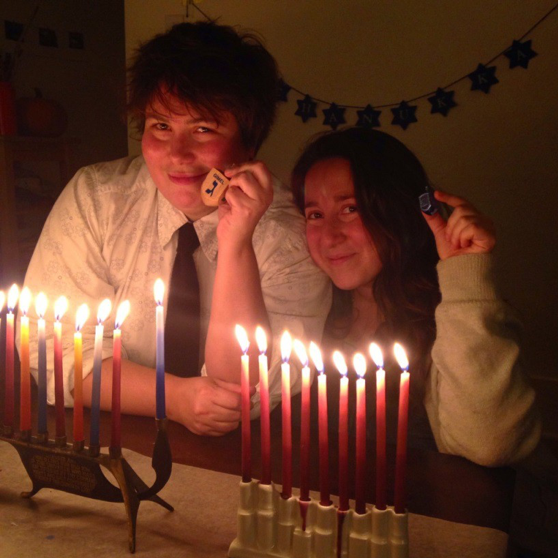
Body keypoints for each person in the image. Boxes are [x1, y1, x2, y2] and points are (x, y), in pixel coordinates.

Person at [20, 21, 330, 436]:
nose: (177, 154)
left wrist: (237, 244)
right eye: (161, 126)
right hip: (112, 435)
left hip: (245, 460)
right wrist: (178, 399)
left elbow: (249, 389)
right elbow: (56, 355)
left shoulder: (291, 230)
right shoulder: (97, 197)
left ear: (248, 143)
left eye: (203, 129)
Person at [291, 127, 540, 466]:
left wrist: (465, 272)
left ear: (396, 210)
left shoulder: (453, 317)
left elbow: (490, 445)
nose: (330, 236)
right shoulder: (308, 306)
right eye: (315, 215)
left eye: (350, 208)